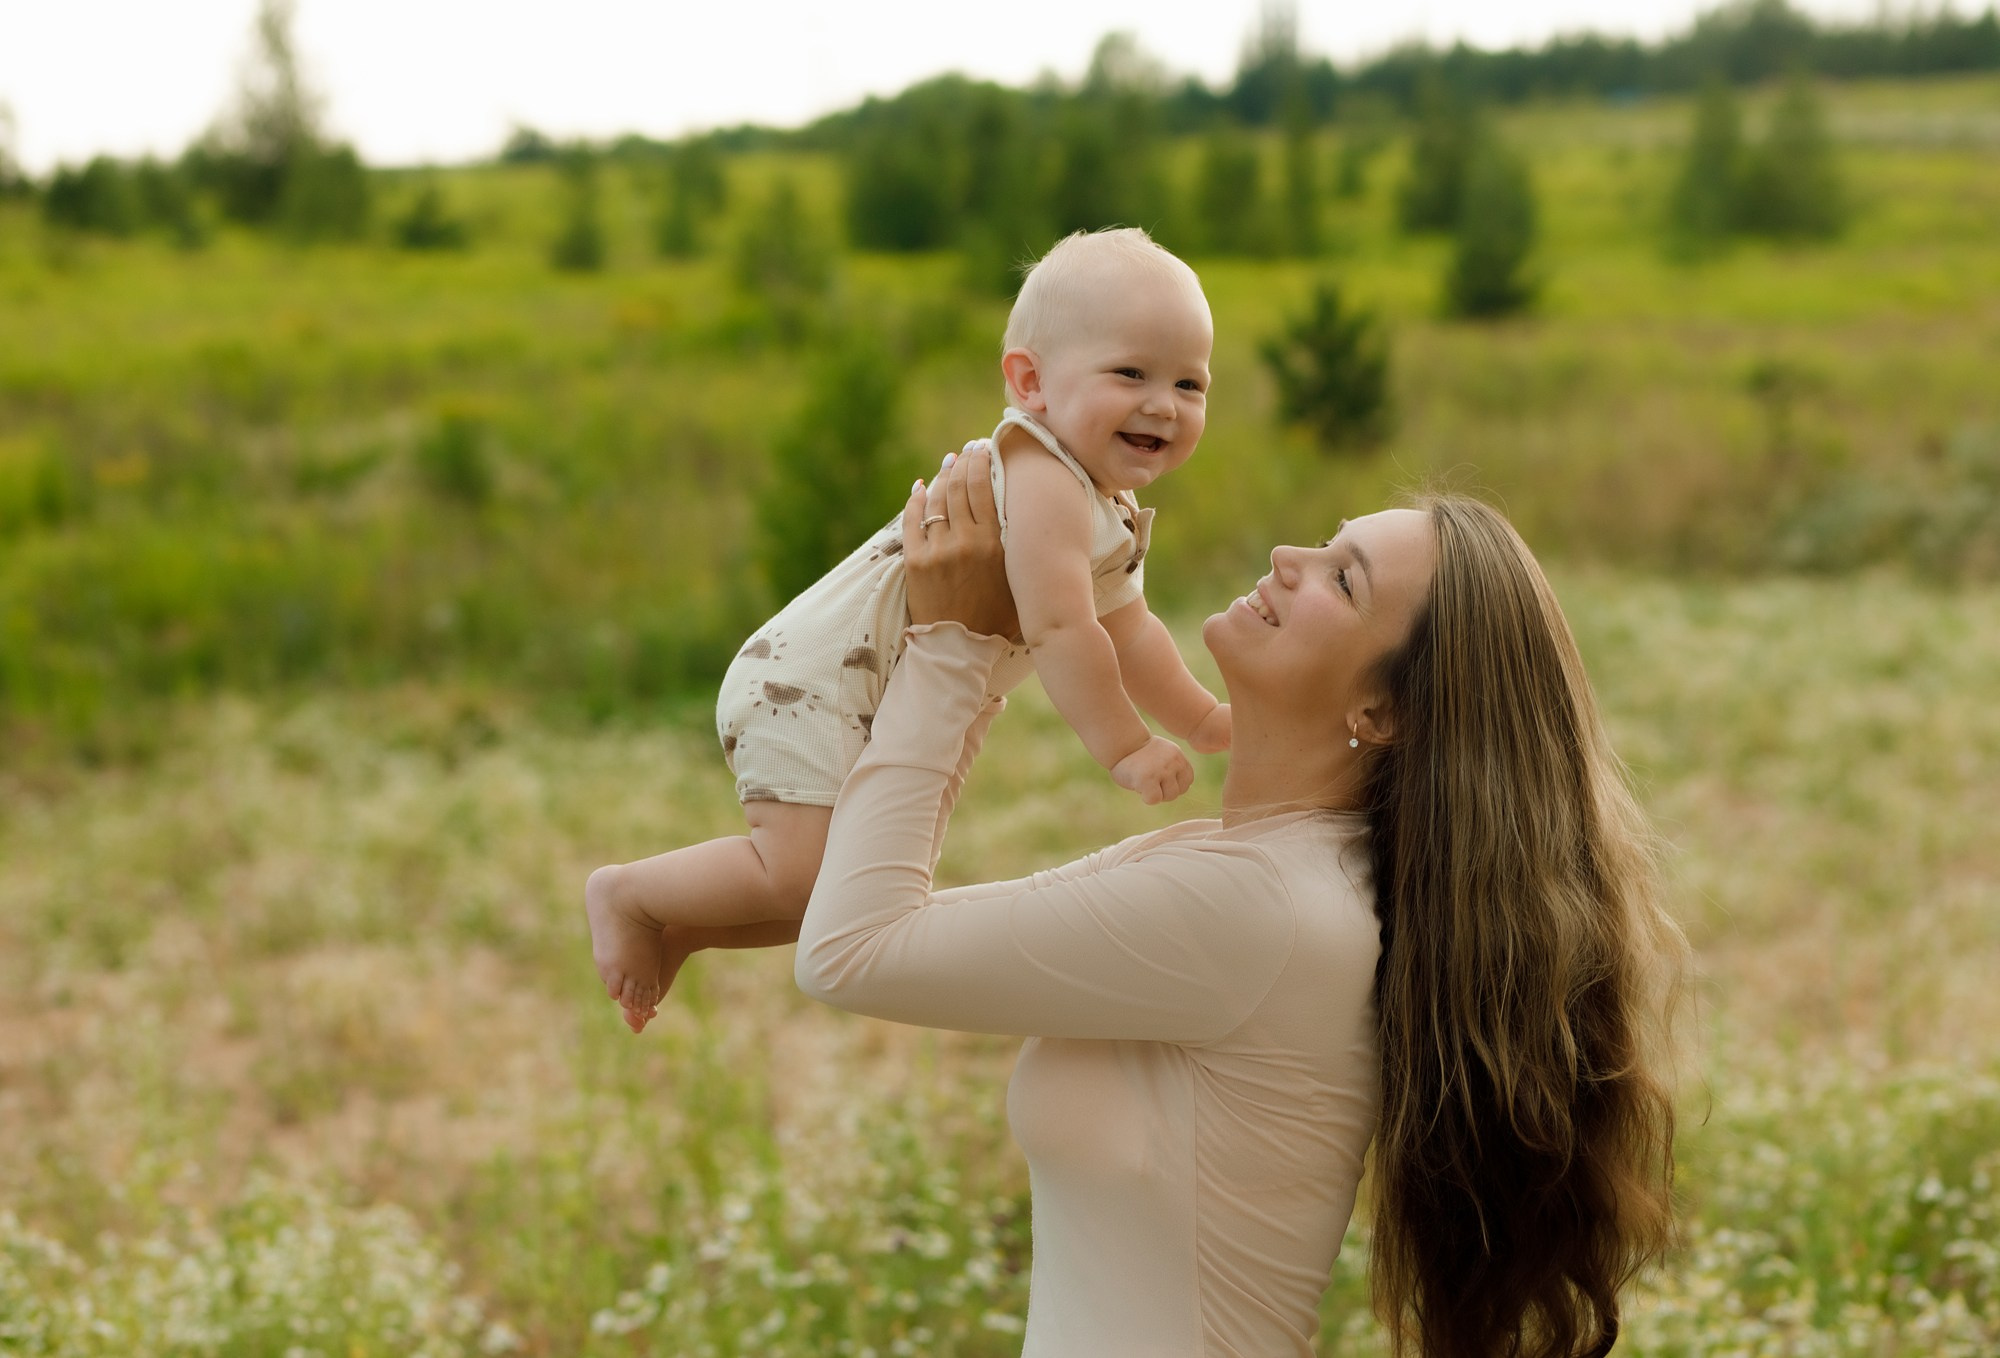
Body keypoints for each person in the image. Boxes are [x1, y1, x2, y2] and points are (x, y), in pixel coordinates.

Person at [787, 450, 1684, 1358]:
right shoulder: (1266, 873)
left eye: (1344, 579)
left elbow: (852, 948)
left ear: (1381, 711)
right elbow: (871, 908)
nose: (1291, 556)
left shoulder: (1260, 907)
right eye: (1330, 540)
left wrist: (954, 645)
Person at [588, 227, 1229, 1029]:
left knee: (837, 892)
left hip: (870, 687)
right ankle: (631, 892)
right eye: (1130, 372)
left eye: (1190, 383)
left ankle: (681, 928)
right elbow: (1065, 629)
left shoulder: (1106, 503)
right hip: (814, 684)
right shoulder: (1043, 476)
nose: (1162, 403)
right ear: (1030, 381)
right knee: (800, 877)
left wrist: (1202, 718)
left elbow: (1132, 632)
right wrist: (1127, 748)